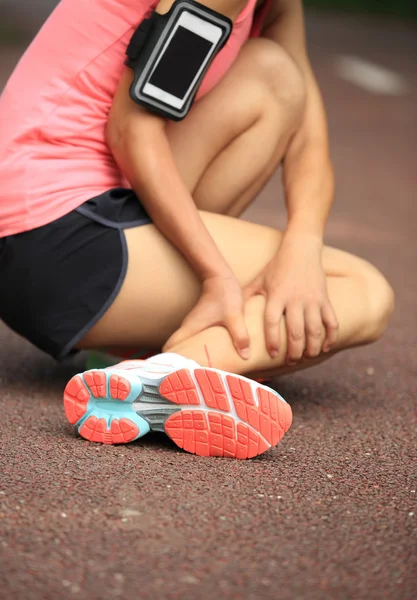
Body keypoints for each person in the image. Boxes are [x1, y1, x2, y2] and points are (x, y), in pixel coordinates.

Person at [0, 0, 394, 458]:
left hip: (57, 228)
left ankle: (146, 356)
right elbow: (132, 130)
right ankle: (165, 373)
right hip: (54, 229)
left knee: (276, 77)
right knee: (363, 291)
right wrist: (217, 275)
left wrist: (301, 249)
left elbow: (308, 134)